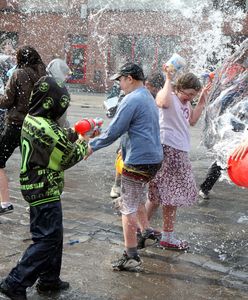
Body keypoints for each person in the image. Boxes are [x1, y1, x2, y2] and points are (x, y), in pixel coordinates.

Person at [0, 76, 90, 300]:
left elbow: (57, 136)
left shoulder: (34, 117)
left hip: (38, 186)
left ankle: (49, 280)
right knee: (46, 239)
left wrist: (74, 134)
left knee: (54, 235)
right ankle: (15, 281)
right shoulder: (46, 128)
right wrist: (84, 142)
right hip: (43, 189)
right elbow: (67, 157)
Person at [87, 62, 163, 271]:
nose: (119, 84)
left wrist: (91, 146)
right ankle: (147, 232)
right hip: (153, 158)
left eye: (120, 80)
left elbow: (114, 131)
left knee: (126, 207)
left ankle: (131, 256)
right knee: (136, 196)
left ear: (130, 78)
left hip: (138, 161)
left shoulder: (132, 99)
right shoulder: (147, 95)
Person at [147, 65, 211, 250]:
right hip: (169, 149)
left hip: (179, 150)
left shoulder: (185, 102)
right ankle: (167, 236)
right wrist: (168, 77)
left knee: (158, 193)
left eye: (193, 95)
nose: (190, 98)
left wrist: (201, 101)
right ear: (179, 87)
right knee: (171, 194)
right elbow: (162, 103)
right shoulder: (170, 96)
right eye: (189, 94)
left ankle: (140, 228)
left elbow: (191, 121)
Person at [0, 46, 46, 215]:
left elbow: (6, 102)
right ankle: (36, 203)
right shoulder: (45, 75)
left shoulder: (18, 74)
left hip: (16, 125)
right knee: (33, 165)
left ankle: (5, 203)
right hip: (36, 126)